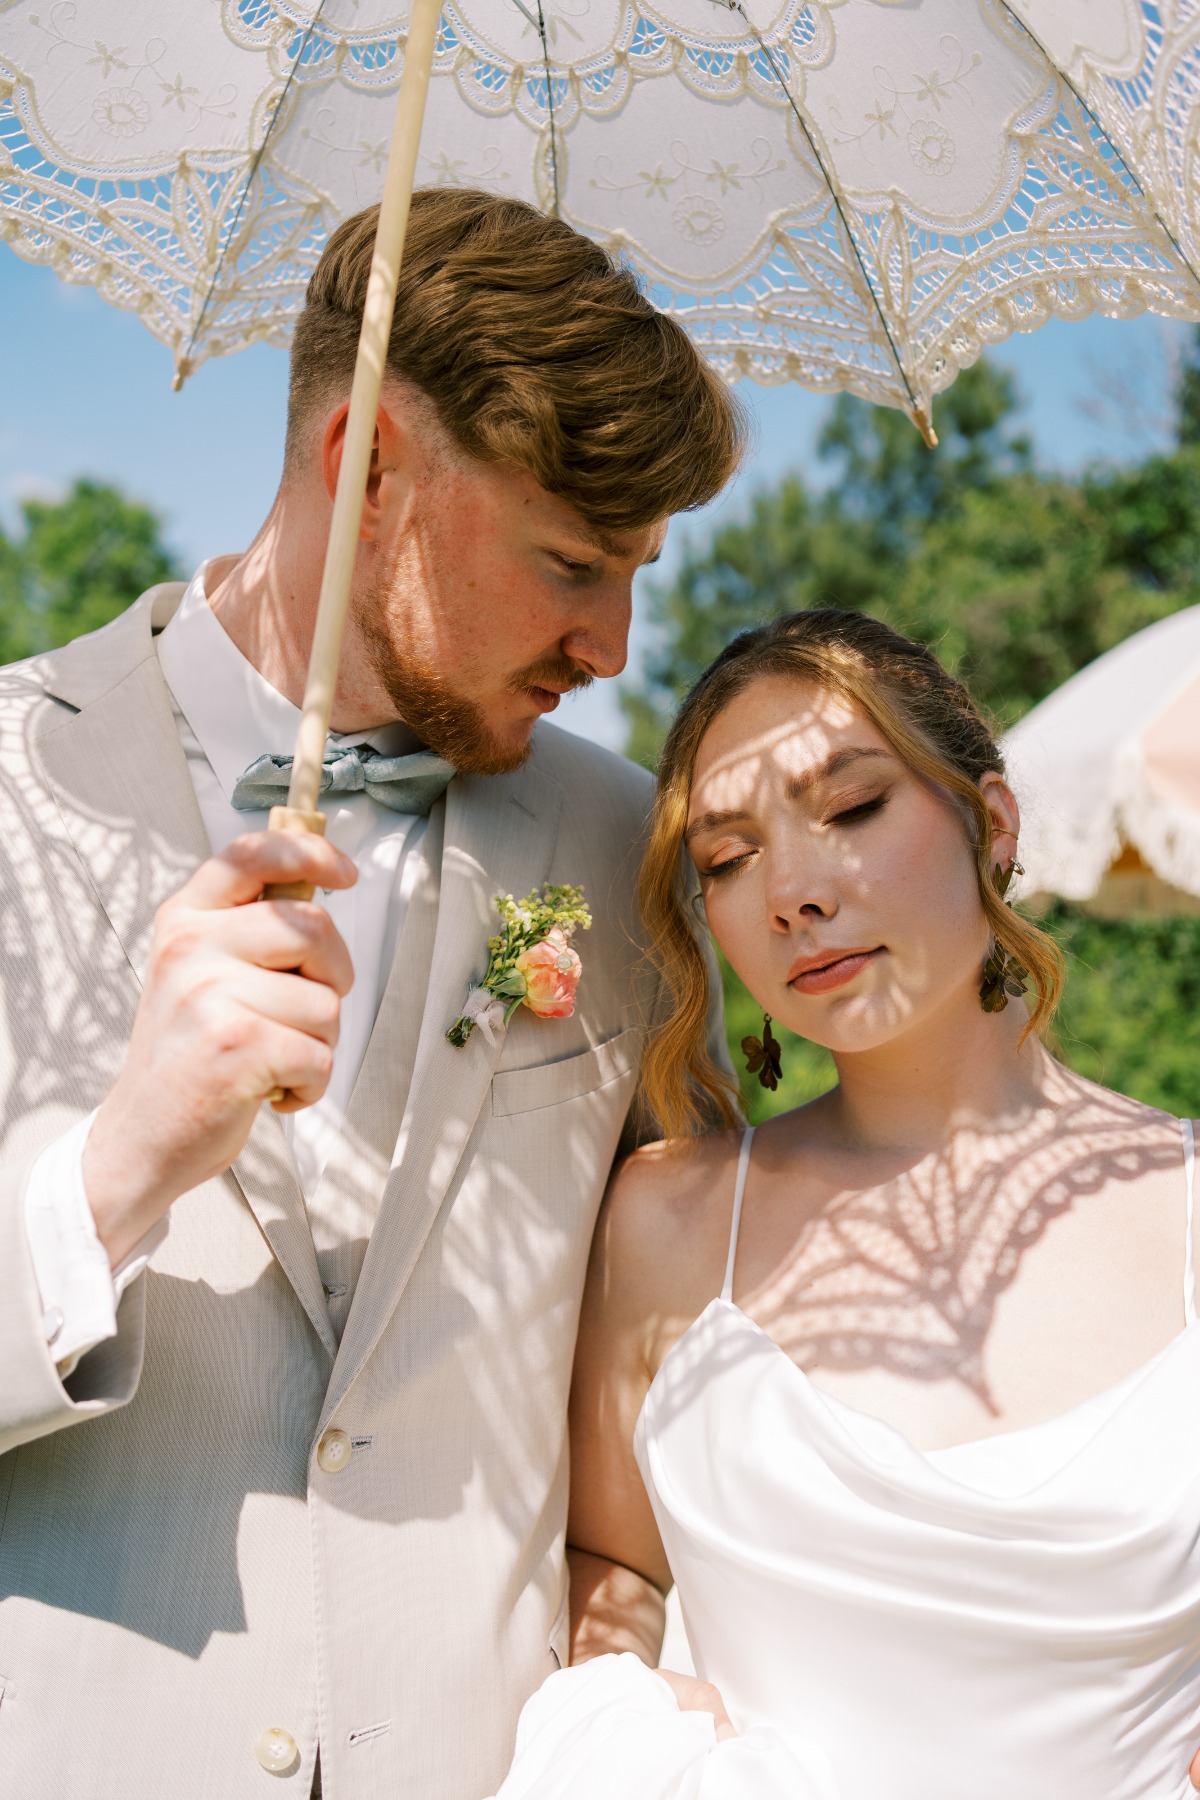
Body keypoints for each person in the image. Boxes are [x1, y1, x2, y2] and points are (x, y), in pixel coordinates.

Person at [0, 189, 743, 1798]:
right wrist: (113, 1177)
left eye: (637, 571)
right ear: (367, 469)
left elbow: (701, 1344)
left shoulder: (630, 849)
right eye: (569, 562)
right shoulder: (6, 786)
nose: (614, 643)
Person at [494, 609, 1200, 1800]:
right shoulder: (667, 1223)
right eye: (726, 859)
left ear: (992, 819)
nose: (794, 894)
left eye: (852, 808)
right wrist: (618, 1726)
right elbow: (613, 1564)